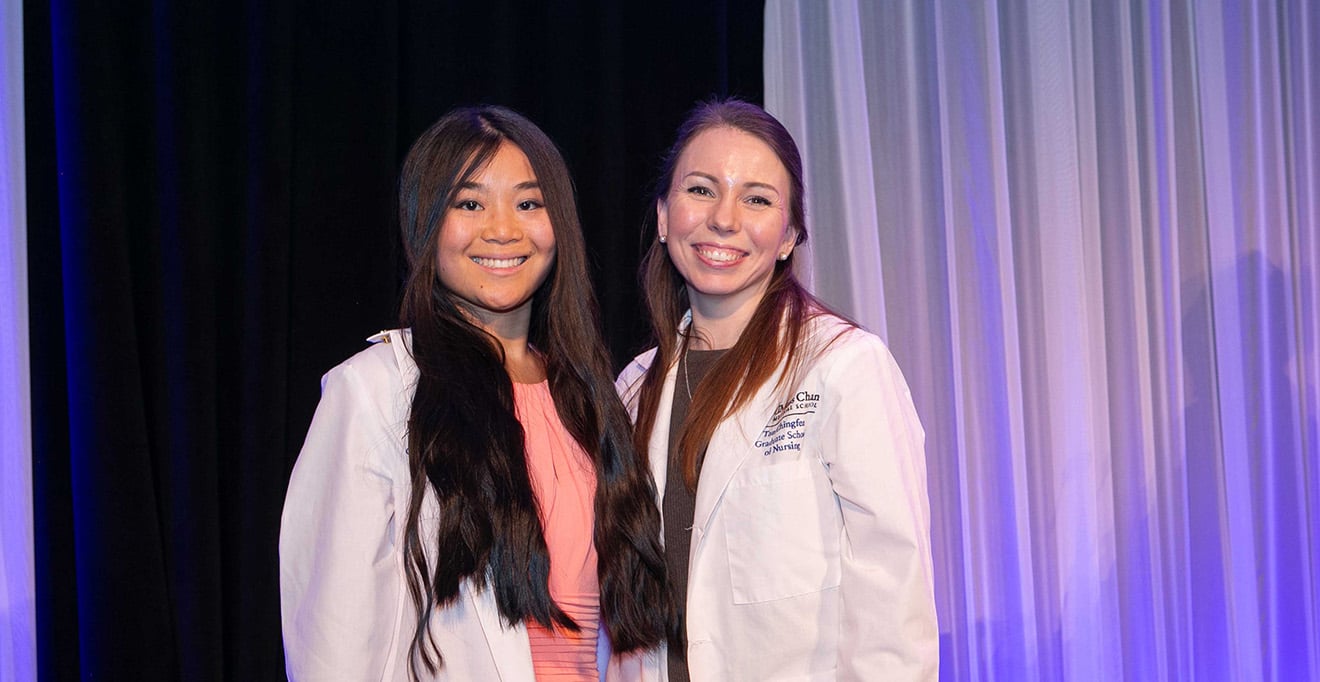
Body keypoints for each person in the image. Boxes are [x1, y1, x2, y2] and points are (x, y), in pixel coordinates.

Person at [281, 105, 671, 681]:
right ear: (426, 222)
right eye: (470, 204)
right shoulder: (374, 391)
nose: (502, 228)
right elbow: (331, 643)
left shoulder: (593, 399)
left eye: (528, 203)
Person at [615, 99, 938, 681]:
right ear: (663, 216)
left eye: (757, 199)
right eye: (701, 190)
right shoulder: (634, 388)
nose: (724, 219)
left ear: (789, 236)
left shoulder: (844, 367)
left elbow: (893, 596)